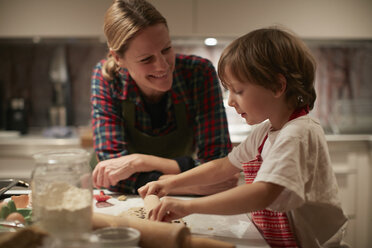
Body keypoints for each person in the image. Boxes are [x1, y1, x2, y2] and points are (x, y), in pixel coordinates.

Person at [139, 27, 348, 247]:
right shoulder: (265, 131)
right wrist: (170, 184)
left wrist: (188, 207)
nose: (230, 101)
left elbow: (263, 193)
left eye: (237, 91)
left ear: (277, 86)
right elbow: (223, 167)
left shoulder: (298, 133)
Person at [91, 0, 236, 195]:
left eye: (166, 49)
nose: (162, 66)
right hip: (125, 200)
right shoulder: (107, 79)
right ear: (118, 58)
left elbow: (216, 162)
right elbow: (112, 173)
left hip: (170, 199)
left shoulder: (198, 73)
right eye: (146, 59)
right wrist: (190, 184)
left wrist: (138, 163)